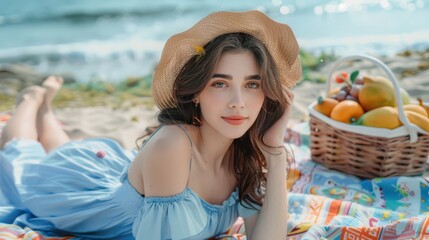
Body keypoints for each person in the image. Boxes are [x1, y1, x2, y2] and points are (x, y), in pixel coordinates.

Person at [0, 10, 301, 239]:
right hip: (78, 195)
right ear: (196, 91)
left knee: (61, 147)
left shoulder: (247, 153)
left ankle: (46, 110)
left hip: (105, 171)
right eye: (220, 84)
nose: (238, 102)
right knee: (23, 157)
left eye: (252, 85)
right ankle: (31, 98)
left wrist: (274, 153)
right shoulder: (173, 144)